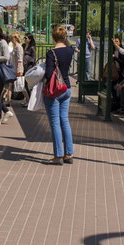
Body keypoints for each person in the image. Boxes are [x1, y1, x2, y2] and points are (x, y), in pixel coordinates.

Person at [44, 26, 75, 165]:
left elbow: (49, 73)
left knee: (55, 123)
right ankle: (69, 153)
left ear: (53, 37)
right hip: (67, 88)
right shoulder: (70, 50)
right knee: (65, 121)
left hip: (55, 91)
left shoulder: (51, 52)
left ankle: (58, 156)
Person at [2, 30, 24, 119]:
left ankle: (27, 99)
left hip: (17, 69)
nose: (11, 40)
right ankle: (8, 101)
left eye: (12, 38)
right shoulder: (16, 46)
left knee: (20, 86)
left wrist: (19, 71)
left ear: (15, 38)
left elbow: (19, 60)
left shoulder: (18, 47)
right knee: (11, 85)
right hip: (14, 69)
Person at [21, 33, 37, 107]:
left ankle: (30, 100)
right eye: (24, 38)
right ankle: (27, 99)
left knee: (28, 84)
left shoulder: (32, 47)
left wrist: (30, 61)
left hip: (29, 68)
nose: (24, 39)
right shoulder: (23, 46)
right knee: (24, 84)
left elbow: (34, 58)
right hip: (22, 66)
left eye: (26, 38)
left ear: (30, 39)